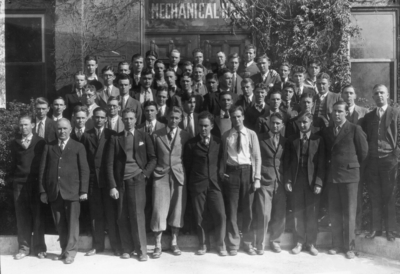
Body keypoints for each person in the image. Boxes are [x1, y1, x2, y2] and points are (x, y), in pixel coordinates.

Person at [106, 108, 157, 262]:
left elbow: (153, 158)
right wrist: (112, 185)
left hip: (137, 179)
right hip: (121, 181)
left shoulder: (143, 136)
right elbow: (109, 164)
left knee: (137, 215)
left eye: (131, 118)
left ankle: (142, 250)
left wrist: (144, 174)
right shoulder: (116, 139)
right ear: (122, 120)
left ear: (136, 120)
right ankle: (127, 248)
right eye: (125, 119)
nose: (128, 121)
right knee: (121, 215)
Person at [321, 101, 368, 259]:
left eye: (340, 111)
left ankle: (349, 247)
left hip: (349, 177)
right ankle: (336, 244)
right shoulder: (327, 131)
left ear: (346, 113)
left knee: (349, 212)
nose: (337, 114)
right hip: (333, 176)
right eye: (334, 111)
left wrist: (352, 167)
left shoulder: (355, 129)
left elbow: (363, 153)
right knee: (334, 211)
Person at [38, 119, 89, 264]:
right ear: (56, 130)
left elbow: (84, 170)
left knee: (73, 223)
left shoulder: (78, 146)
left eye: (65, 128)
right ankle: (63, 250)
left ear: (70, 129)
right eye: (59, 129)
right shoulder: (49, 147)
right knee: (59, 223)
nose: (62, 131)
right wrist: (43, 191)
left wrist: (83, 190)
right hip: (55, 191)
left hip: (73, 191)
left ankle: (71, 253)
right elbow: (42, 170)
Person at [183, 111, 227, 256]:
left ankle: (220, 245)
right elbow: (188, 166)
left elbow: (222, 161)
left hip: (215, 184)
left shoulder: (218, 142)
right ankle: (203, 244)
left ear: (212, 126)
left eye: (206, 126)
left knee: (220, 214)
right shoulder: (191, 144)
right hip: (197, 184)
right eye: (201, 126)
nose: (203, 129)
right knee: (200, 216)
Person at [219, 105, 261, 256]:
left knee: (248, 210)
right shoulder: (226, 136)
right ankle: (233, 243)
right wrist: (223, 173)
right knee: (232, 210)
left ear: (243, 117)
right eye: (233, 117)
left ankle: (248, 242)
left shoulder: (251, 134)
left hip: (247, 173)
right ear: (230, 118)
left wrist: (256, 178)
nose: (236, 119)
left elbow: (256, 157)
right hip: (232, 174)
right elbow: (223, 157)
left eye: (238, 116)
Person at [151, 106, 191, 259]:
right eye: (171, 117)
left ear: (181, 119)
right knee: (158, 209)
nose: (173, 120)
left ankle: (174, 242)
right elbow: (153, 156)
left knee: (177, 209)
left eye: (177, 118)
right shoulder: (156, 135)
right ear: (166, 118)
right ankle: (157, 244)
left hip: (179, 176)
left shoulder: (185, 135)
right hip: (161, 175)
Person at [361, 84, 400, 242]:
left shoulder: (396, 113)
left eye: (382, 93)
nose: (379, 96)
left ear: (388, 95)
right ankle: (375, 228)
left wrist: (396, 156)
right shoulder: (369, 116)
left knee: (389, 195)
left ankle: (390, 230)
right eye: (376, 93)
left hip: (389, 160)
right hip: (373, 160)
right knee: (374, 195)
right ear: (373, 97)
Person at [284, 111, 325, 256]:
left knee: (312, 213)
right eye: (300, 122)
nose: (302, 125)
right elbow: (287, 163)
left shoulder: (318, 140)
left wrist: (319, 183)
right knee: (297, 212)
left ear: (311, 122)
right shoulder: (292, 140)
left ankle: (311, 243)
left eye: (305, 122)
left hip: (312, 182)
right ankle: (299, 242)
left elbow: (321, 164)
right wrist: (288, 180)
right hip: (297, 180)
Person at [81, 107, 121, 257]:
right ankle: (97, 246)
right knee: (95, 215)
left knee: (111, 214)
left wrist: (113, 183)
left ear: (106, 119)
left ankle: (116, 246)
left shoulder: (112, 135)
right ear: (92, 118)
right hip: (93, 181)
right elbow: (84, 161)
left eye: (102, 117)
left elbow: (115, 160)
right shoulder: (86, 135)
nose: (99, 120)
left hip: (108, 180)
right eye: (96, 117)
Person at [11, 114, 47, 260]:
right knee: (22, 216)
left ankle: (39, 248)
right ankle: (24, 248)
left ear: (32, 125)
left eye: (26, 125)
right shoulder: (14, 143)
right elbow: (13, 164)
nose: (23, 128)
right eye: (21, 125)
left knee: (38, 216)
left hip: (35, 183)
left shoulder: (40, 142)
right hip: (19, 184)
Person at [255, 112, 287, 254]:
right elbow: (256, 158)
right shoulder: (260, 139)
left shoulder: (286, 141)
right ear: (268, 123)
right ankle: (260, 243)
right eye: (273, 123)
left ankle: (276, 241)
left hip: (280, 181)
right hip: (265, 180)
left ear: (282, 125)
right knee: (264, 213)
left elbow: (287, 161)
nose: (275, 125)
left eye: (278, 123)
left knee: (280, 214)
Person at [341, 84, 369, 234]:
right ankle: (343, 228)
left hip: (358, 160)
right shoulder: (338, 112)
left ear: (355, 96)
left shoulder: (364, 113)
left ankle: (357, 226)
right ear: (342, 95)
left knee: (356, 195)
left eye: (351, 93)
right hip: (342, 162)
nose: (348, 96)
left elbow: (367, 138)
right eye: (346, 93)